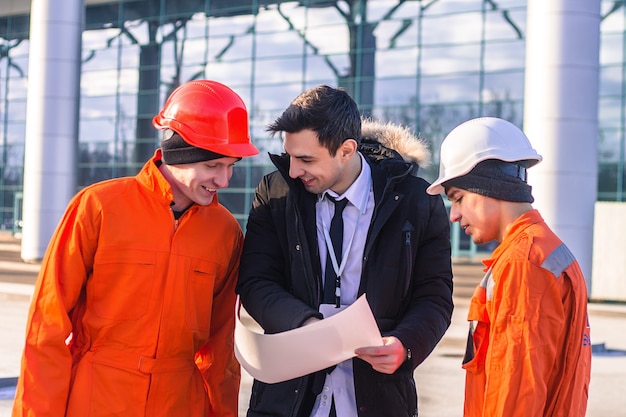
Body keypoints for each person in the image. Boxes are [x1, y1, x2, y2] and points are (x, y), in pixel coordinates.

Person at [12, 80, 259, 417]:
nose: (224, 181)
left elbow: (220, 347)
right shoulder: (97, 207)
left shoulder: (225, 232)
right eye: (213, 166)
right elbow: (47, 327)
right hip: (97, 397)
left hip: (179, 403)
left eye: (231, 166)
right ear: (179, 155)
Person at [236, 85, 454, 417]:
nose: (293, 170)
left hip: (379, 397)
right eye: (290, 155)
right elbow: (256, 280)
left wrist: (406, 345)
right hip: (288, 397)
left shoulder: (417, 201)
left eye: (306, 159)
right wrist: (306, 325)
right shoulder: (275, 192)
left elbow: (434, 295)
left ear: (347, 150)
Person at [426, 117, 591, 417]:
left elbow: (516, 389)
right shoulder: (544, 251)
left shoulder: (522, 264)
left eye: (459, 199)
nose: (455, 215)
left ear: (488, 187)